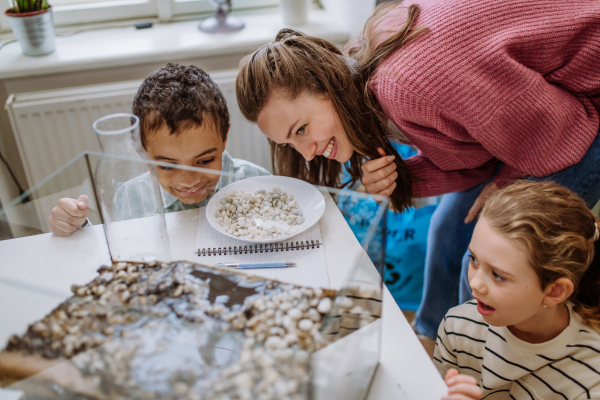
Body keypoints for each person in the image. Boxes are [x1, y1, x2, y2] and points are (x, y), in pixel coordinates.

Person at [235, 0, 600, 339]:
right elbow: (476, 153)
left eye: (301, 130)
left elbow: (561, 130)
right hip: (544, 122)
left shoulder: (405, 85)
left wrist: (506, 186)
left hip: (576, 119)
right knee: (445, 229)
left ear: (325, 85)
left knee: (481, 260)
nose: (308, 153)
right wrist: (404, 178)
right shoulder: (360, 68)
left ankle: (474, 363)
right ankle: (433, 340)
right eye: (291, 143)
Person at [49, 63, 270, 236]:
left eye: (204, 161)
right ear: (143, 151)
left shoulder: (260, 182)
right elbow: (123, 250)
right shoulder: (129, 198)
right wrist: (78, 227)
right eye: (166, 165)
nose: (189, 180)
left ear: (224, 137)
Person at [435, 181, 600, 400]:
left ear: (554, 292)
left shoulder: (591, 376)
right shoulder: (456, 327)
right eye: (474, 259)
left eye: (498, 275)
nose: (474, 284)